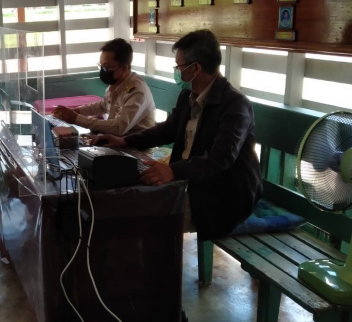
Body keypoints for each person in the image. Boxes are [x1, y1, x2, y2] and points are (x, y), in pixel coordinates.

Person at [94, 30, 262, 240]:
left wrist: (173, 171)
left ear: (195, 68)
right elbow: (167, 130)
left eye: (179, 67)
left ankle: (156, 260)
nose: (176, 72)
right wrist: (124, 141)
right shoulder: (189, 95)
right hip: (189, 180)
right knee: (126, 199)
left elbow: (221, 157)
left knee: (146, 222)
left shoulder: (235, 105)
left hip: (222, 194)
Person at [53, 39, 156, 137]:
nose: (103, 70)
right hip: (116, 141)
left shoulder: (137, 92)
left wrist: (76, 118)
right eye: (101, 66)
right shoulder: (116, 83)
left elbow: (118, 127)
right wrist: (76, 111)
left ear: (124, 68)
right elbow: (102, 106)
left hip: (137, 146)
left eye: (106, 67)